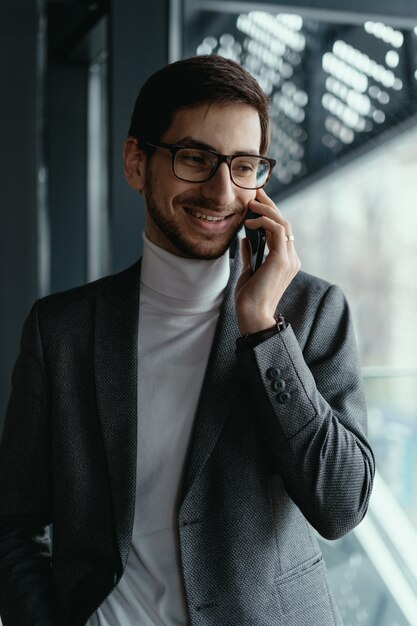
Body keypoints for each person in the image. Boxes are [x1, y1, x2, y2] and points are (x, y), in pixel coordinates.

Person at [0, 54, 374, 626]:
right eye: (195, 157)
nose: (222, 193)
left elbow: (341, 506)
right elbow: (13, 525)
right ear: (136, 162)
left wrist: (261, 327)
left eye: (244, 165)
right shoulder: (62, 333)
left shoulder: (314, 312)